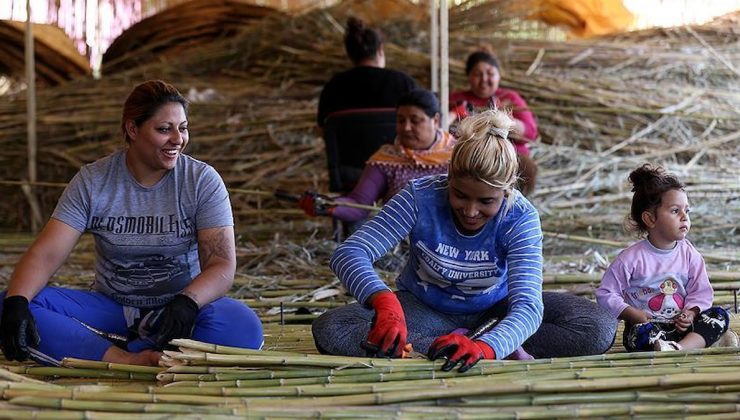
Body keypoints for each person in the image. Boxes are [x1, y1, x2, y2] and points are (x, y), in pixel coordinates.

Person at [312, 109, 616, 372]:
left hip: (496, 311)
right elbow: (349, 253)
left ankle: (451, 348)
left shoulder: (521, 216)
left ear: (507, 191)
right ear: (448, 177)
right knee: (332, 329)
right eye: (459, 195)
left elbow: (527, 307)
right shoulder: (421, 196)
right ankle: (458, 345)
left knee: (597, 327)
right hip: (423, 309)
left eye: (486, 201)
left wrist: (487, 347)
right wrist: (385, 304)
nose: (470, 211)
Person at [0, 80, 263, 367]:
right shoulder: (93, 181)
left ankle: (100, 344)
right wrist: (17, 303)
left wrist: (187, 302)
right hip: (112, 309)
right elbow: (46, 254)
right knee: (10, 302)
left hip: (177, 310)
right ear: (133, 129)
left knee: (243, 327)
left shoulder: (201, 181)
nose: (178, 139)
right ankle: (124, 357)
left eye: (183, 128)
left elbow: (221, 264)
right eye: (164, 129)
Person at [596, 164, 729, 352]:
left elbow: (701, 292)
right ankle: (695, 343)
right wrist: (632, 314)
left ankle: (679, 347)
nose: (684, 217)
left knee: (719, 315)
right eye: (675, 211)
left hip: (682, 327)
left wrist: (691, 313)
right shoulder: (630, 259)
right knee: (638, 336)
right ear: (650, 219)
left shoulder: (690, 255)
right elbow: (606, 293)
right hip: (649, 327)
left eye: (687, 211)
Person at [300, 89, 454, 223]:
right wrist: (325, 206)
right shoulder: (386, 159)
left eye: (415, 121)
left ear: (436, 120)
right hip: (400, 243)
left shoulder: (458, 155)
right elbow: (358, 204)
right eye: (401, 120)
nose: (406, 127)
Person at [449, 51, 538, 195]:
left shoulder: (509, 98)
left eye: (490, 73)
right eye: (478, 74)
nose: (484, 79)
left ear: (499, 76)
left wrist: (502, 119)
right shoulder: (456, 99)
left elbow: (530, 133)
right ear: (469, 77)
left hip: (508, 155)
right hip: (468, 155)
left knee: (527, 168)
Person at [316, 17, 417, 130]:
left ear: (350, 54)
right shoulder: (403, 83)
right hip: (395, 147)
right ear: (380, 50)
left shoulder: (333, 87)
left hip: (349, 148)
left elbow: (323, 130)